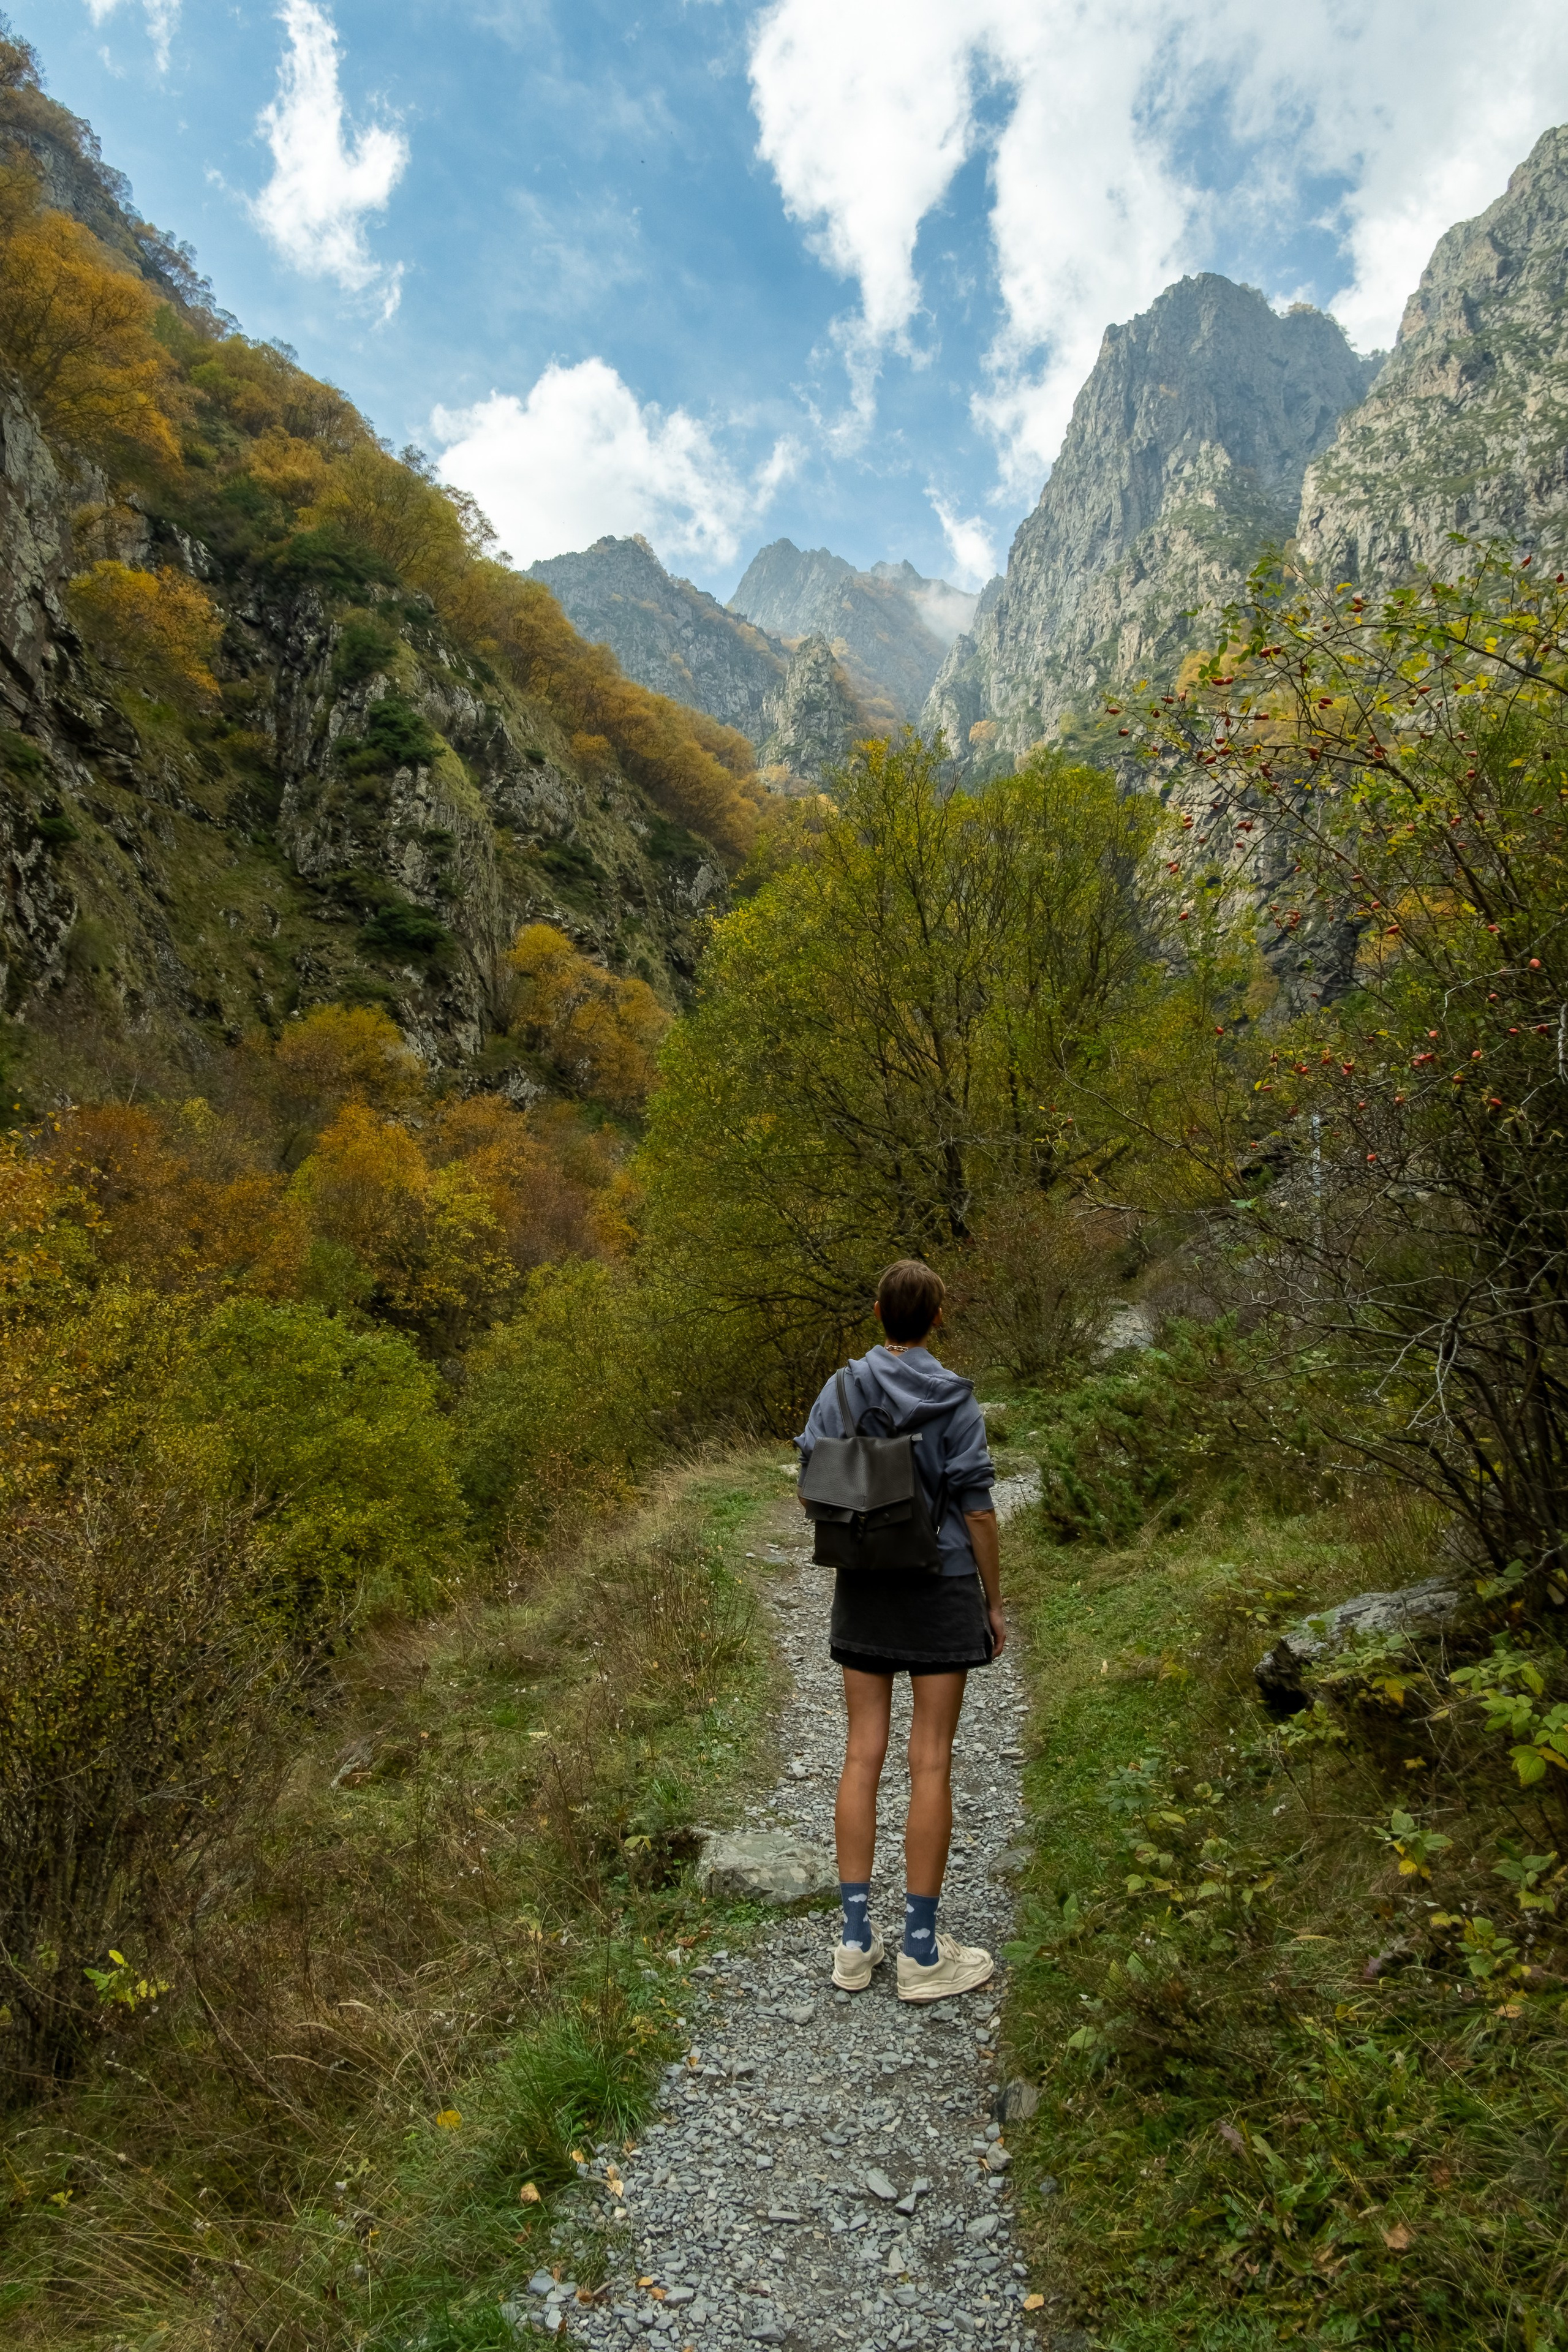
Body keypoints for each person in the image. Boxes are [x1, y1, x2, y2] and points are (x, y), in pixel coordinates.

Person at [795, 1259, 1004, 2003]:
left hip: (866, 1585)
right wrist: (993, 1602)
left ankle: (854, 1944)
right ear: (937, 1317)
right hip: (940, 1586)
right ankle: (920, 1952)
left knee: (861, 1753)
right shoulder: (955, 1398)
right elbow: (977, 1509)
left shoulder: (840, 1388)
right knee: (931, 1761)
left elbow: (810, 1487)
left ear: (879, 1313)